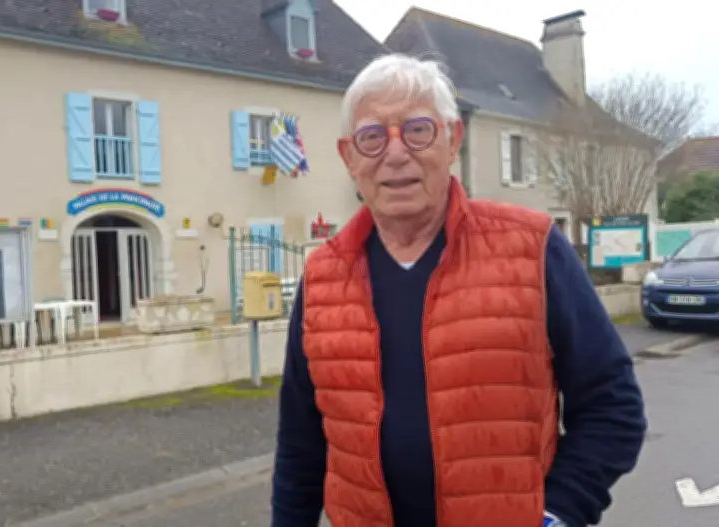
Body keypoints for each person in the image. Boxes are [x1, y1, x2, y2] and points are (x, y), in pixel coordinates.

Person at [270, 54, 646, 527]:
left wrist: (558, 513)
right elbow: (301, 446)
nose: (395, 153)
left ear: (453, 140)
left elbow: (613, 406)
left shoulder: (533, 248)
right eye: (372, 137)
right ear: (349, 158)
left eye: (418, 130)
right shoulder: (323, 277)